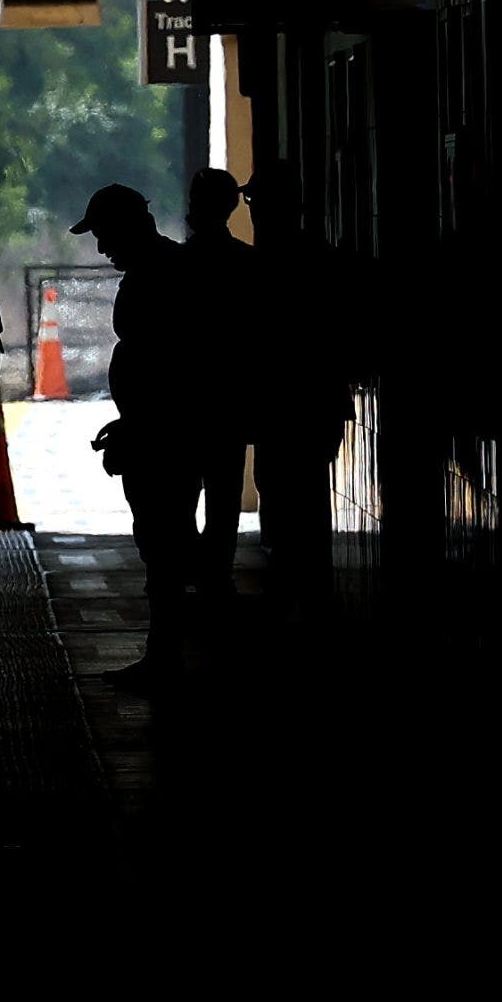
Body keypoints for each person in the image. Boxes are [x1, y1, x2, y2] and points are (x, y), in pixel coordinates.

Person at [71, 182, 201, 687]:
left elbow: (169, 367)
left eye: (104, 235)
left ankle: (165, 657)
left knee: (163, 544)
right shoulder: (168, 268)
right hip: (156, 430)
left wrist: (142, 425)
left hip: (163, 436)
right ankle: (166, 652)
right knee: (165, 542)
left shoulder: (162, 275)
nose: (101, 248)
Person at [240, 161, 355, 619]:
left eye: (254, 202)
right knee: (305, 501)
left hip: (284, 404)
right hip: (318, 401)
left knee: (288, 501)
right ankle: (310, 596)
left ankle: (296, 598)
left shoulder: (267, 264)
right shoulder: (322, 258)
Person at [182, 168, 262, 602]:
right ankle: (216, 574)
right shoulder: (249, 265)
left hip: (186, 399)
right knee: (224, 494)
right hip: (231, 400)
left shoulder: (179, 267)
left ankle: (195, 567)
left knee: (180, 495)